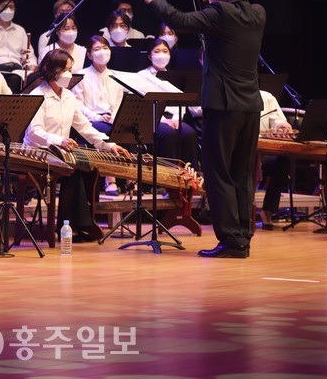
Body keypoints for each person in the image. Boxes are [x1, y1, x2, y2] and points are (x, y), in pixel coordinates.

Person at [146, 0, 265, 259]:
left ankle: (231, 240)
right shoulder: (258, 12)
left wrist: (155, 0)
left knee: (219, 172)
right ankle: (243, 236)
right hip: (250, 106)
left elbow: (180, 20)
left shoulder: (220, 13)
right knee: (242, 173)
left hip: (223, 105)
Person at [24, 49, 130, 241]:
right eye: (66, 70)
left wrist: (108, 145)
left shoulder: (68, 96)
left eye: (70, 69)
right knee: (73, 169)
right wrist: (60, 140)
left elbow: (84, 127)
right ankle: (73, 225)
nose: (69, 74)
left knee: (86, 168)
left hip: (60, 153)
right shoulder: (37, 95)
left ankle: (75, 224)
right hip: (37, 153)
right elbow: (34, 132)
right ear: (52, 70)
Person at [72, 35, 127, 194]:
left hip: (111, 118)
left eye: (105, 48)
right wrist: (96, 117)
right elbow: (77, 104)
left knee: (128, 129)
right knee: (107, 130)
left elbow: (118, 102)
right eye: (97, 49)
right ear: (89, 55)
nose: (102, 52)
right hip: (91, 119)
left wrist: (115, 117)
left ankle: (130, 179)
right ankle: (111, 180)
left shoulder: (115, 76)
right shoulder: (81, 75)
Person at [135, 39, 199, 170]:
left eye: (165, 51)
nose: (161, 55)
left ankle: (192, 174)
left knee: (189, 133)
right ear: (150, 56)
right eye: (157, 51)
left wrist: (176, 119)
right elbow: (144, 103)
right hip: (154, 119)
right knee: (169, 134)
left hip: (174, 118)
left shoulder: (175, 76)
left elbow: (181, 100)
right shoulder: (142, 75)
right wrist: (164, 120)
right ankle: (169, 174)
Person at [257, 90, 295, 229]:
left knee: (282, 160)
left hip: (263, 150)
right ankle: (242, 211)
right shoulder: (230, 94)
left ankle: (268, 209)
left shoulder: (266, 97)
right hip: (239, 151)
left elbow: (278, 120)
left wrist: (281, 126)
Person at [0, 0, 36, 91]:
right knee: (14, 79)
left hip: (17, 68)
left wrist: (32, 66)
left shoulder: (20, 30)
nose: (8, 10)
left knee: (33, 78)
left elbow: (29, 54)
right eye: (5, 7)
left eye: (11, 7)